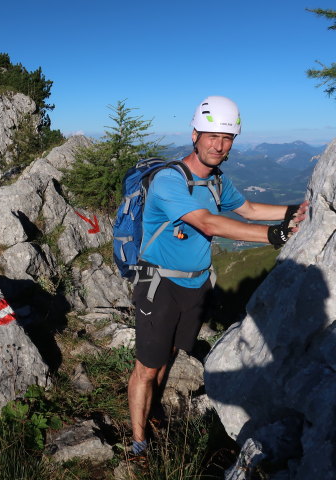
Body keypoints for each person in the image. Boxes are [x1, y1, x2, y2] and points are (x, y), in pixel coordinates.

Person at [126, 96, 309, 457]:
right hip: (159, 285)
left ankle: (154, 412)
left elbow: (251, 209)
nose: (218, 144)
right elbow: (209, 223)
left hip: (194, 285)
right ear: (194, 134)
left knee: (168, 358)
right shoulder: (169, 180)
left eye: (226, 138)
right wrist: (276, 235)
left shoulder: (218, 182)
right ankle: (138, 443)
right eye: (211, 135)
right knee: (146, 368)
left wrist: (298, 210)